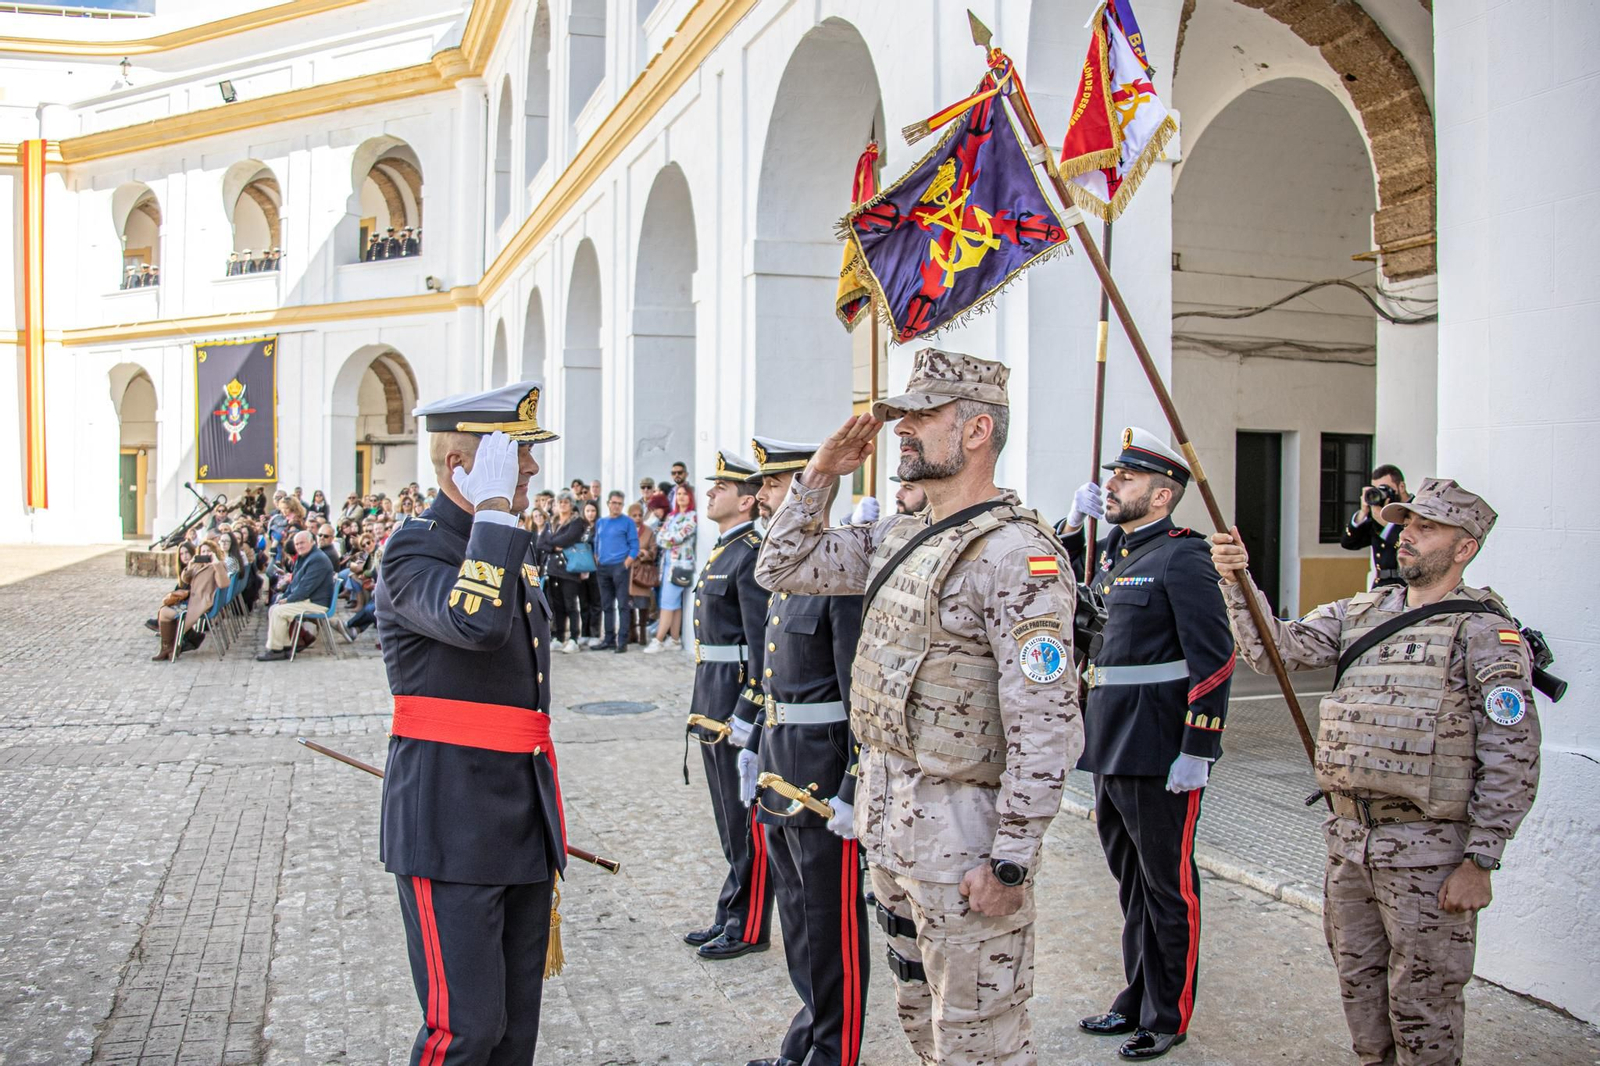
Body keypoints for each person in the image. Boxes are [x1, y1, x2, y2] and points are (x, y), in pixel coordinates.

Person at [755, 348, 1082, 1066]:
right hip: (891, 819)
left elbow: (1045, 720)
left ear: (975, 431)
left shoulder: (1017, 557)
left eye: (920, 417)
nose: (900, 430)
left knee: (979, 1039)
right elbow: (778, 566)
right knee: (920, 1021)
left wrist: (1012, 862)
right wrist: (817, 479)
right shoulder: (897, 535)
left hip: (966, 833)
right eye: (901, 416)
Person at [1211, 478, 1540, 1066]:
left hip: (1430, 854)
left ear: (1463, 548)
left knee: (1424, 1002)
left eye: (1426, 527)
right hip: (1349, 844)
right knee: (1360, 989)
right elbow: (1275, 652)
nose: (1406, 535)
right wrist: (1239, 583)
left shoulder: (1485, 632)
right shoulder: (1358, 611)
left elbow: (1511, 753)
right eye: (1405, 523)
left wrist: (1481, 859)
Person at [374, 382, 564, 1064]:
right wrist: (489, 512)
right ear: (463, 465)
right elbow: (474, 625)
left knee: (514, 1033)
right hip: (449, 820)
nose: (533, 471)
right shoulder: (414, 549)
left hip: (518, 812)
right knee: (465, 1030)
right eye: (517, 458)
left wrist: (495, 520)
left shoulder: (505, 542)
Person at [1059, 428, 1236, 1061]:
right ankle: (1135, 996)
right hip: (1111, 738)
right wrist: (1070, 523)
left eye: (1126, 479)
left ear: (1162, 495)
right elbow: (1063, 592)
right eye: (1111, 477)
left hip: (1161, 746)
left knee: (1168, 887)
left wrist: (1199, 746)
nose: (1112, 485)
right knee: (1130, 880)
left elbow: (1215, 658)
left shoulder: (1182, 556)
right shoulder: (1114, 554)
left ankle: (1168, 1013)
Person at [745, 436, 868, 1066]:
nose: (765, 495)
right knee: (796, 913)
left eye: (775, 485)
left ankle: (835, 1049)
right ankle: (809, 1034)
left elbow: (858, 698)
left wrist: (852, 785)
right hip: (783, 762)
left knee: (830, 918)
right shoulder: (788, 576)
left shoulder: (840, 577)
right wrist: (758, 750)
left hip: (822, 773)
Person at [682, 450, 773, 961]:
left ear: (746, 500)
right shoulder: (724, 549)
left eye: (722, 486)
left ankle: (749, 923)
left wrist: (750, 708)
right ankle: (731, 909)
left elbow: (762, 643)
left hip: (735, 696)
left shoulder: (751, 552)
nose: (711, 491)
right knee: (726, 816)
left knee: (746, 821)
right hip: (711, 692)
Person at [257, 530, 335, 661]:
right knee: (274, 608)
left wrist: (288, 600)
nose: (299, 546)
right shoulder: (304, 557)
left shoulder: (317, 559)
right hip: (308, 599)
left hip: (316, 602)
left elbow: (306, 587)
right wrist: (284, 597)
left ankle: (276, 650)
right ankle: (286, 647)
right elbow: (295, 583)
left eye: (302, 543)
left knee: (278, 611)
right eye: (297, 544)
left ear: (312, 542)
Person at [1341, 463, 1411, 589]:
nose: (1381, 494)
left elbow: (1410, 544)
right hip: (1380, 585)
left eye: (1385, 488)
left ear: (1401, 486)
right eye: (1377, 489)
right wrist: (1363, 513)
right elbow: (1349, 543)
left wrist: (1386, 524)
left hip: (1405, 585)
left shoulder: (1414, 510)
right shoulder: (1377, 512)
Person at [646, 483, 696, 653]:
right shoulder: (671, 517)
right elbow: (660, 538)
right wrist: (668, 538)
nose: (681, 496)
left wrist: (668, 538)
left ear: (690, 497)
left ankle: (658, 639)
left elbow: (679, 537)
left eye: (684, 494)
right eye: (678, 494)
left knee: (667, 602)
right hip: (666, 564)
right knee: (673, 604)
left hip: (680, 564)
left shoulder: (692, 516)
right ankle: (675, 640)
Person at [539, 492, 588, 652]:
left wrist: (551, 543)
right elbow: (541, 542)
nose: (563, 504)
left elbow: (569, 538)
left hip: (569, 568)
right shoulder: (552, 522)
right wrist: (554, 546)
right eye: (560, 502)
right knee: (557, 604)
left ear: (572, 504)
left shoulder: (577, 522)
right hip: (553, 568)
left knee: (570, 604)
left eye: (566, 502)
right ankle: (558, 636)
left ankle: (574, 637)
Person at [592, 490, 640, 652]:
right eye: (614, 503)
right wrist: (597, 558)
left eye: (620, 504)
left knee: (622, 606)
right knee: (607, 605)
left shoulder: (628, 522)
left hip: (620, 567)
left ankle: (622, 642)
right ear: (608, 504)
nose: (616, 506)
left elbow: (634, 546)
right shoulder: (601, 522)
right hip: (603, 568)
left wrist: (625, 565)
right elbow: (596, 542)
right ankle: (608, 639)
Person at [626, 502, 659, 646]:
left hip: (642, 573)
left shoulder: (648, 531)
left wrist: (645, 554)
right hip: (627, 571)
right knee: (628, 604)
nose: (637, 518)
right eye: (634, 516)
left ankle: (643, 635)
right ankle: (631, 633)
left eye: (640, 515)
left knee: (643, 604)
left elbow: (654, 550)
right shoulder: (625, 530)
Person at [577, 500, 602, 646]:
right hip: (581, 569)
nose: (590, 514)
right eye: (588, 511)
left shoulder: (599, 527)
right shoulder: (581, 528)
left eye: (593, 511)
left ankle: (595, 633)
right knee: (583, 602)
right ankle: (584, 632)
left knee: (595, 603)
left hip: (595, 569)